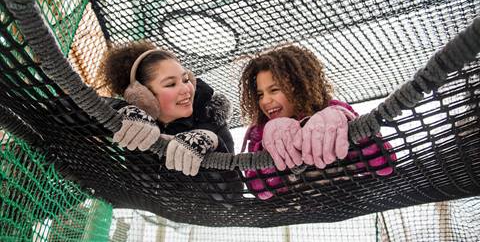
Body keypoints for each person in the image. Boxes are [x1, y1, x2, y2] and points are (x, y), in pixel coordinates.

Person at [239, 44, 396, 200]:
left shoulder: (335, 110)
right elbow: (259, 189)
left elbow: (385, 165)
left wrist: (348, 126)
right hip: (298, 208)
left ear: (298, 85)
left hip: (347, 198)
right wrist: (267, 147)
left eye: (274, 90)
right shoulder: (259, 131)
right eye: (260, 95)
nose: (265, 101)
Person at [97, 40, 242, 202]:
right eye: (171, 84)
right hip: (140, 199)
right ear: (143, 98)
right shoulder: (132, 118)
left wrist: (214, 141)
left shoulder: (211, 118)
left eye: (186, 80)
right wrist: (123, 110)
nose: (186, 90)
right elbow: (78, 104)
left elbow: (232, 195)